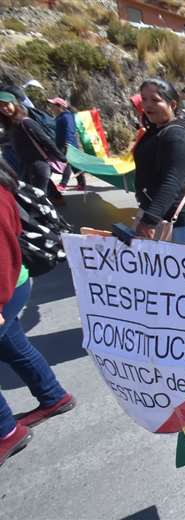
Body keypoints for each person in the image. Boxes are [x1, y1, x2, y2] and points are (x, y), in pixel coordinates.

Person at [0, 159, 75, 467]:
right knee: (12, 344)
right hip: (14, 286)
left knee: (12, 342)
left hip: (6, 290)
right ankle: (53, 396)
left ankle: (6, 432)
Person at [133, 79, 185, 246]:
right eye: (144, 99)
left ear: (172, 104)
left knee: (184, 271)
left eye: (155, 100)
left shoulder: (177, 137)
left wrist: (149, 221)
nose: (147, 105)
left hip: (179, 222)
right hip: (157, 213)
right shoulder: (155, 130)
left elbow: (172, 182)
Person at [0, 91, 66, 203]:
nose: (4, 109)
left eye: (7, 105)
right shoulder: (11, 126)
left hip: (39, 165)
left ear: (14, 104)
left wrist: (62, 158)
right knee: (33, 197)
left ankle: (51, 218)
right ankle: (54, 202)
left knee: (39, 199)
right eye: (1, 107)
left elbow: (45, 140)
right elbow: (5, 140)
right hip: (26, 166)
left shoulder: (26, 122)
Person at [47, 97, 86, 191]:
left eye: (52, 105)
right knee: (73, 165)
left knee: (66, 164)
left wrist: (68, 144)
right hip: (61, 144)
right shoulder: (60, 117)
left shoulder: (67, 116)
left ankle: (63, 184)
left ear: (59, 106)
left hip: (67, 144)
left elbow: (70, 130)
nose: (51, 107)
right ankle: (82, 183)